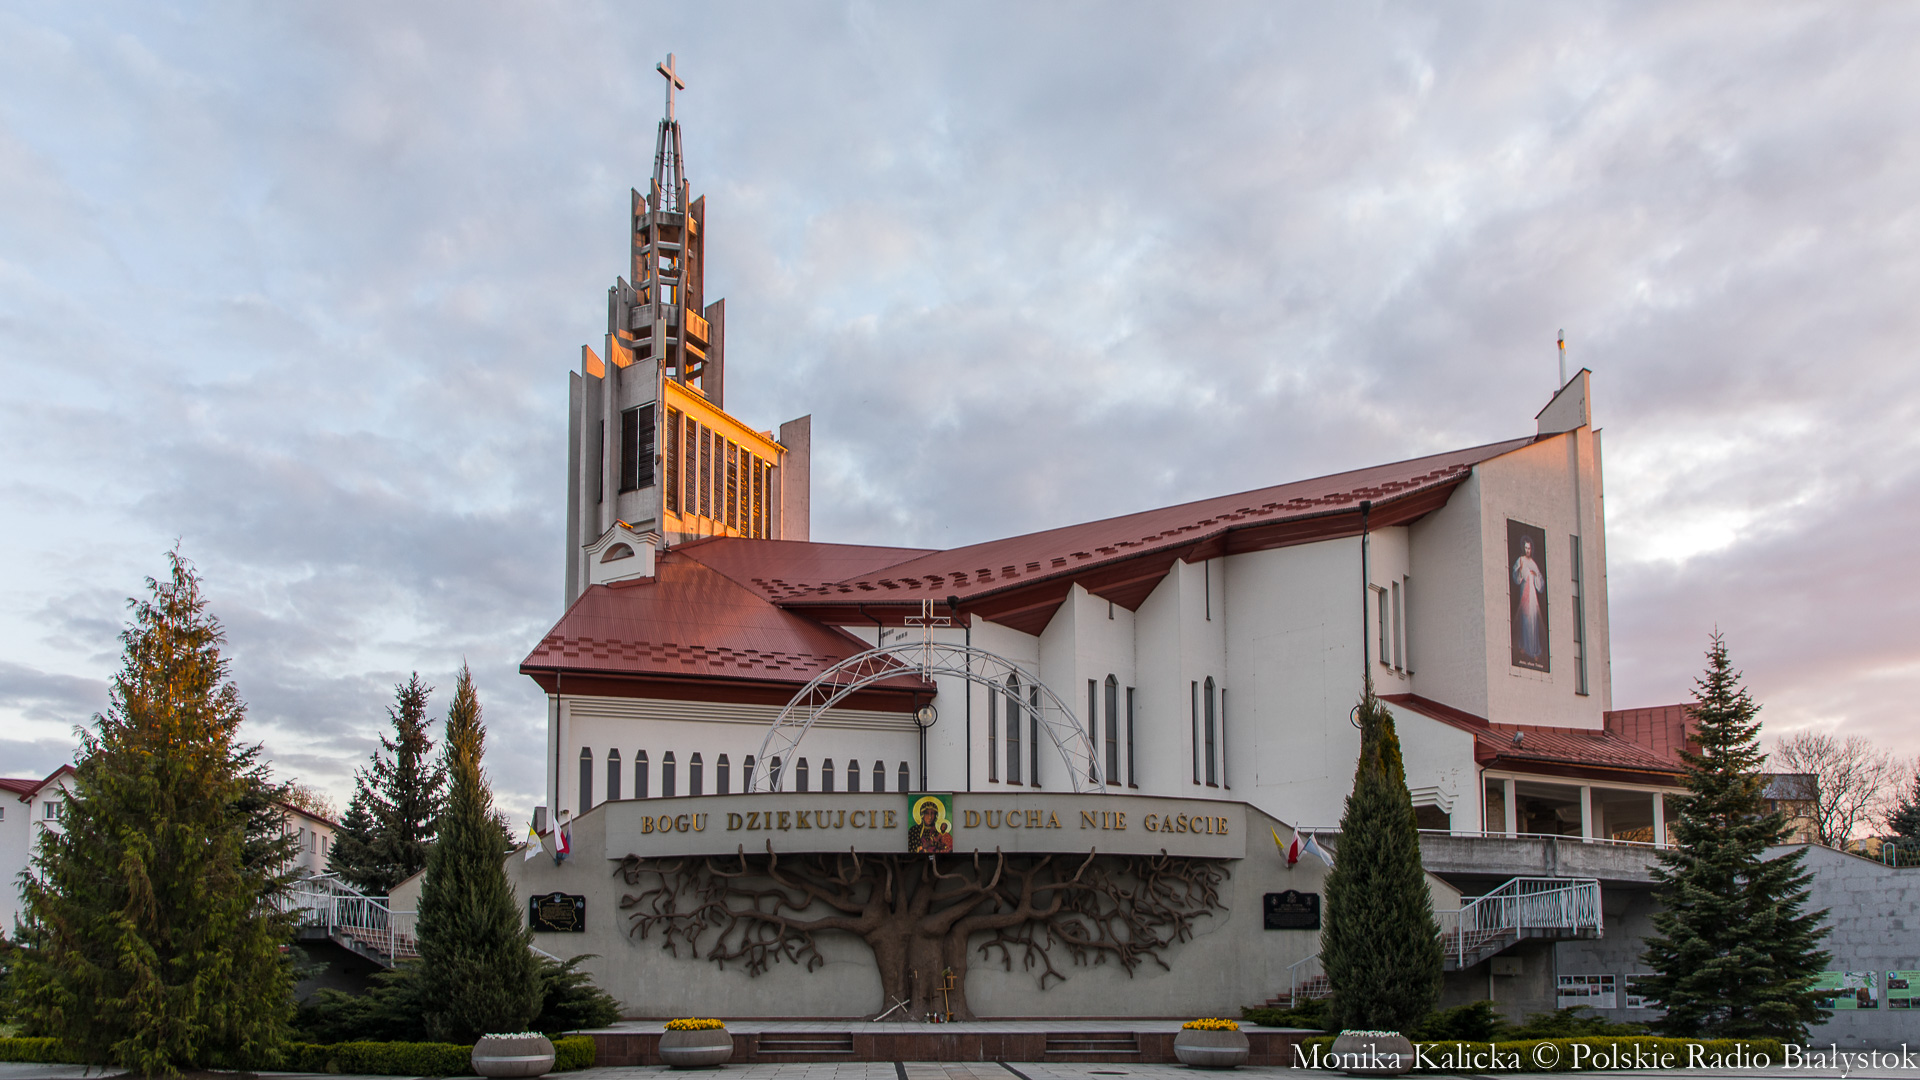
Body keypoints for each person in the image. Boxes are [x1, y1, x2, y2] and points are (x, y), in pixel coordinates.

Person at [1512, 536, 1546, 664]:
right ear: (1523, 548)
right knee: (1525, 619)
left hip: (1532, 595)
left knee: (1533, 620)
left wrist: (1536, 575)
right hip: (1524, 594)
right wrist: (1520, 571)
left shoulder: (1533, 563)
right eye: (1526, 548)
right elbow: (1517, 577)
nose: (1527, 550)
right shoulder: (1520, 560)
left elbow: (1540, 582)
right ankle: (1524, 646)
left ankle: (1534, 649)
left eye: (1529, 548)